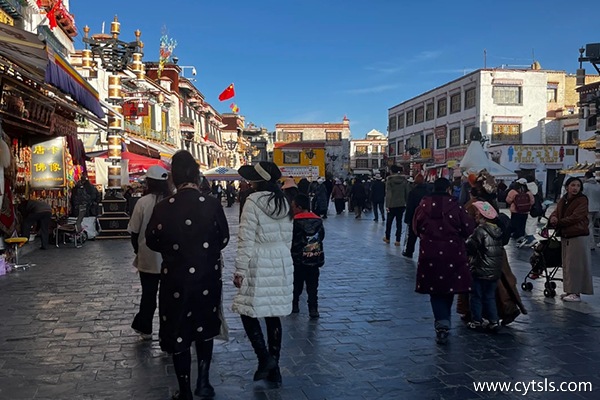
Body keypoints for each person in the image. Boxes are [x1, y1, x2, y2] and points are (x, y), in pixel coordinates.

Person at [145, 150, 230, 400]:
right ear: (196, 174)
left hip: (176, 278)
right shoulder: (212, 204)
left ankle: (184, 390)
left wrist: (174, 250)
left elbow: (151, 240)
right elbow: (223, 238)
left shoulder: (163, 208)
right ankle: (203, 382)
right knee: (204, 327)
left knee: (179, 328)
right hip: (206, 276)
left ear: (173, 177)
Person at [232, 161, 293, 386]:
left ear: (258, 181)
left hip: (258, 259)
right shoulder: (285, 201)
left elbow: (246, 238)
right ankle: (273, 368)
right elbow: (288, 237)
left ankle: (264, 358)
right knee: (273, 313)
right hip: (281, 259)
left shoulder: (253, 201)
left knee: (247, 311)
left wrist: (240, 269)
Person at [413, 178, 475, 345]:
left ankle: (442, 322)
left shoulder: (423, 207)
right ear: (448, 189)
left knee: (435, 289)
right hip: (453, 252)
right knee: (449, 286)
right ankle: (444, 321)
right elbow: (468, 228)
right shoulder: (456, 207)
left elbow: (416, 227)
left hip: (430, 252)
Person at [127, 166, 171, 341]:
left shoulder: (142, 203)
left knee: (148, 294)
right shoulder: (172, 201)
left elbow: (134, 231)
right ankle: (167, 331)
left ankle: (145, 327)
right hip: (170, 258)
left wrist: (138, 250)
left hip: (148, 257)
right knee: (168, 297)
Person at [549, 177, 593, 302]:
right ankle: (570, 290)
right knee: (568, 264)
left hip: (578, 234)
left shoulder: (582, 200)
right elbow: (556, 212)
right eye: (573, 185)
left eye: (578, 186)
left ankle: (576, 292)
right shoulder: (564, 199)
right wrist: (553, 218)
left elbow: (576, 217)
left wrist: (559, 222)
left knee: (577, 265)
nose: (575, 188)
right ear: (567, 186)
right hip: (567, 234)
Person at [465, 201, 504, 332]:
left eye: (477, 213)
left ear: (483, 216)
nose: (475, 215)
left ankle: (477, 320)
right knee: (489, 296)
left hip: (480, 269)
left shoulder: (480, 231)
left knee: (476, 295)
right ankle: (494, 321)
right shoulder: (498, 231)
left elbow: (470, 246)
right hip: (494, 270)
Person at [291, 193, 325, 318]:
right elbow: (322, 236)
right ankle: (313, 308)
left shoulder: (294, 222)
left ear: (299, 207)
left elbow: (291, 239)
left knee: (296, 284)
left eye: (293, 206)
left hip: (298, 258)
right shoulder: (317, 220)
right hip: (314, 257)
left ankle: (294, 305)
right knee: (312, 285)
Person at [402, 174, 429, 258]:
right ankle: (424, 253)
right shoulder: (428, 192)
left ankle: (409, 252)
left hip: (414, 217)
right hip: (425, 217)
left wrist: (407, 219)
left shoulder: (413, 192)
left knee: (412, 235)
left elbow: (409, 206)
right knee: (424, 236)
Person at [384, 165, 410, 246]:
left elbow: (389, 194)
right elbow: (407, 192)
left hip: (392, 204)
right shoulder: (404, 180)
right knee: (399, 223)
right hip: (401, 204)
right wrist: (406, 203)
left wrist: (387, 205)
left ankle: (387, 238)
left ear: (391, 171)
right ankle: (398, 240)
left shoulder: (390, 180)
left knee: (389, 222)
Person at [505, 178, 534, 244]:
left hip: (515, 211)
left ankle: (516, 235)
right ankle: (521, 235)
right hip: (525, 211)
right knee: (522, 224)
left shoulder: (513, 191)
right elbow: (532, 202)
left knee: (514, 223)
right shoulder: (528, 192)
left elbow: (508, 200)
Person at [582, 170, 600, 249]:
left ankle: (591, 244)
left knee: (590, 226)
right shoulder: (598, 185)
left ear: (586, 177)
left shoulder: (585, 186)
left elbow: (581, 197)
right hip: (597, 208)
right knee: (595, 226)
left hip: (588, 208)